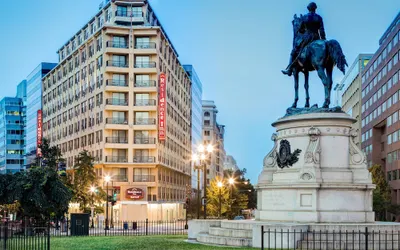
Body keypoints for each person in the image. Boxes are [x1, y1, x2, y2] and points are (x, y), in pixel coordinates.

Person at [282, 2, 326, 76]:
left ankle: (289, 69)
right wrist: (323, 40)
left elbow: (300, 30)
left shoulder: (305, 17)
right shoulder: (319, 17)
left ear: (308, 8)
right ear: (315, 8)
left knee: (294, 51)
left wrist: (303, 30)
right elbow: (321, 30)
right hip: (317, 37)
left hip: (307, 38)